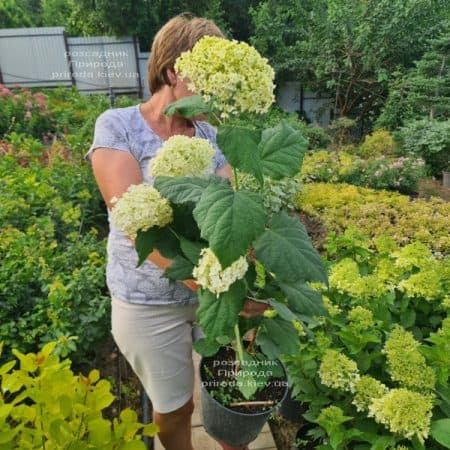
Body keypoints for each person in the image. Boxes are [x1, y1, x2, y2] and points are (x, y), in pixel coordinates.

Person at [86, 13, 266, 450]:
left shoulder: (213, 134)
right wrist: (208, 279)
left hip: (214, 293)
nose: (220, 92)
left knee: (232, 392)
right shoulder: (118, 125)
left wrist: (245, 278)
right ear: (174, 72)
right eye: (212, 78)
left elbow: (231, 214)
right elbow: (133, 221)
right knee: (175, 406)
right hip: (149, 302)